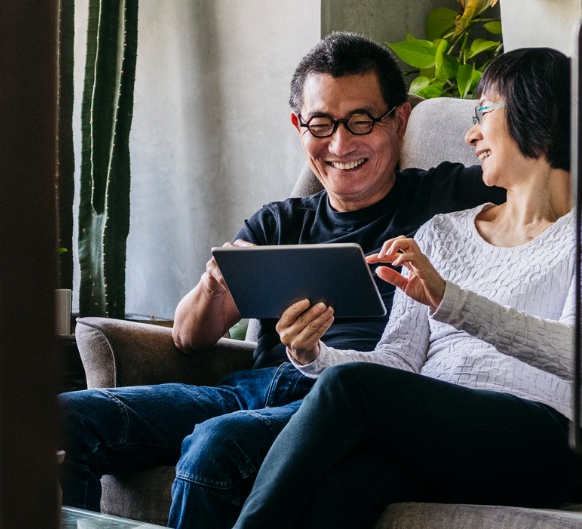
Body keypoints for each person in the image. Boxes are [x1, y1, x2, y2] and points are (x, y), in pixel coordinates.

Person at [58, 32, 505, 529]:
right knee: (67, 417)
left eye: (361, 121)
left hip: (343, 404)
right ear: (299, 125)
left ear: (398, 120)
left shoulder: (444, 194)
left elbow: (548, 177)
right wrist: (215, 285)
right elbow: (189, 336)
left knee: (216, 443)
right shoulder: (278, 223)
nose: (341, 144)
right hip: (248, 390)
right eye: (321, 123)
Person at [232, 47, 582, 529]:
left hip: (537, 441)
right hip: (435, 436)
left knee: (350, 390)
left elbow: (575, 350)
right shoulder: (440, 233)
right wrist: (315, 356)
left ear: (540, 112)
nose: (470, 133)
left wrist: (447, 299)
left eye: (483, 112)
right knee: (341, 489)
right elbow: (398, 360)